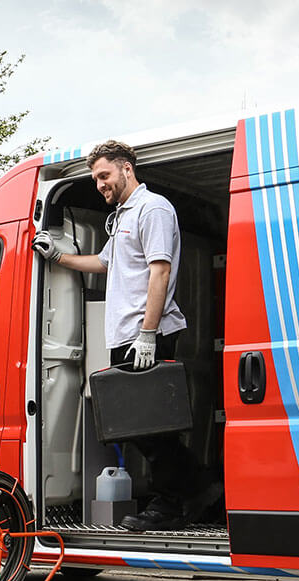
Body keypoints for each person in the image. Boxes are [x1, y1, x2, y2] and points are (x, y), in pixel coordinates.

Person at [33, 140, 220, 531]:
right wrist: (57, 257)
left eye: (105, 175)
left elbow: (161, 271)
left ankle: (177, 499)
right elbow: (103, 262)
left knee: (148, 428)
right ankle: (195, 488)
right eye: (96, 178)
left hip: (146, 334)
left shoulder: (152, 209)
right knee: (138, 428)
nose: (100, 184)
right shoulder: (122, 216)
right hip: (126, 337)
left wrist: (148, 334)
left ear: (126, 169)